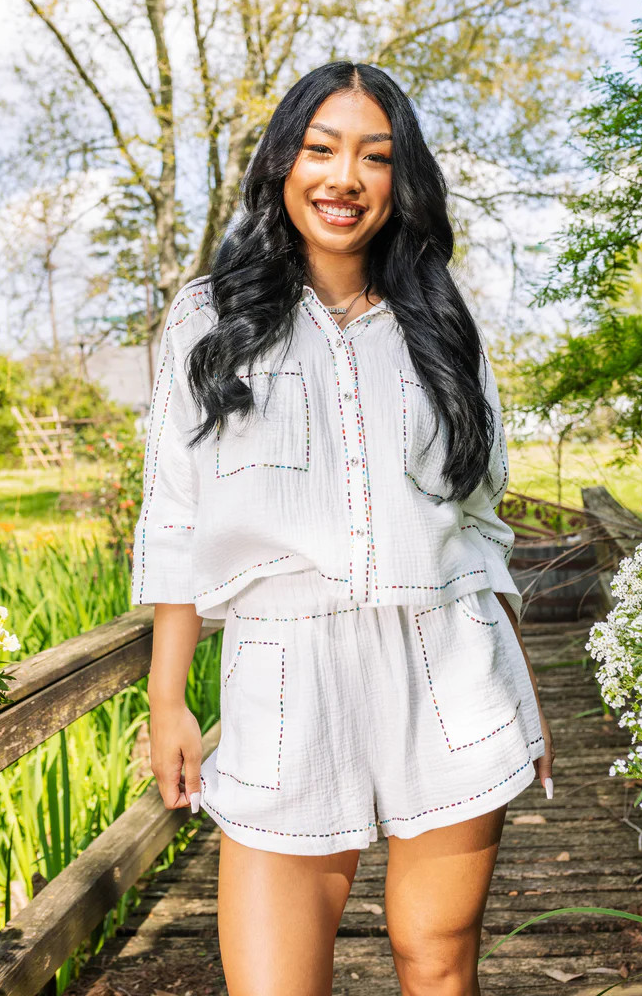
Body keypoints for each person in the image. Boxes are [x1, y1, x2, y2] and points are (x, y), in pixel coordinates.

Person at [131, 60, 555, 996]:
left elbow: (480, 523)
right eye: (321, 150)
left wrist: (520, 680)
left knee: (438, 964)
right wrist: (168, 698)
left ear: (403, 182)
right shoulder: (208, 319)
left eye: (376, 156)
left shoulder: (443, 323)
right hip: (285, 674)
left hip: (446, 662)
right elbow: (174, 514)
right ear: (283, 163)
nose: (345, 178)